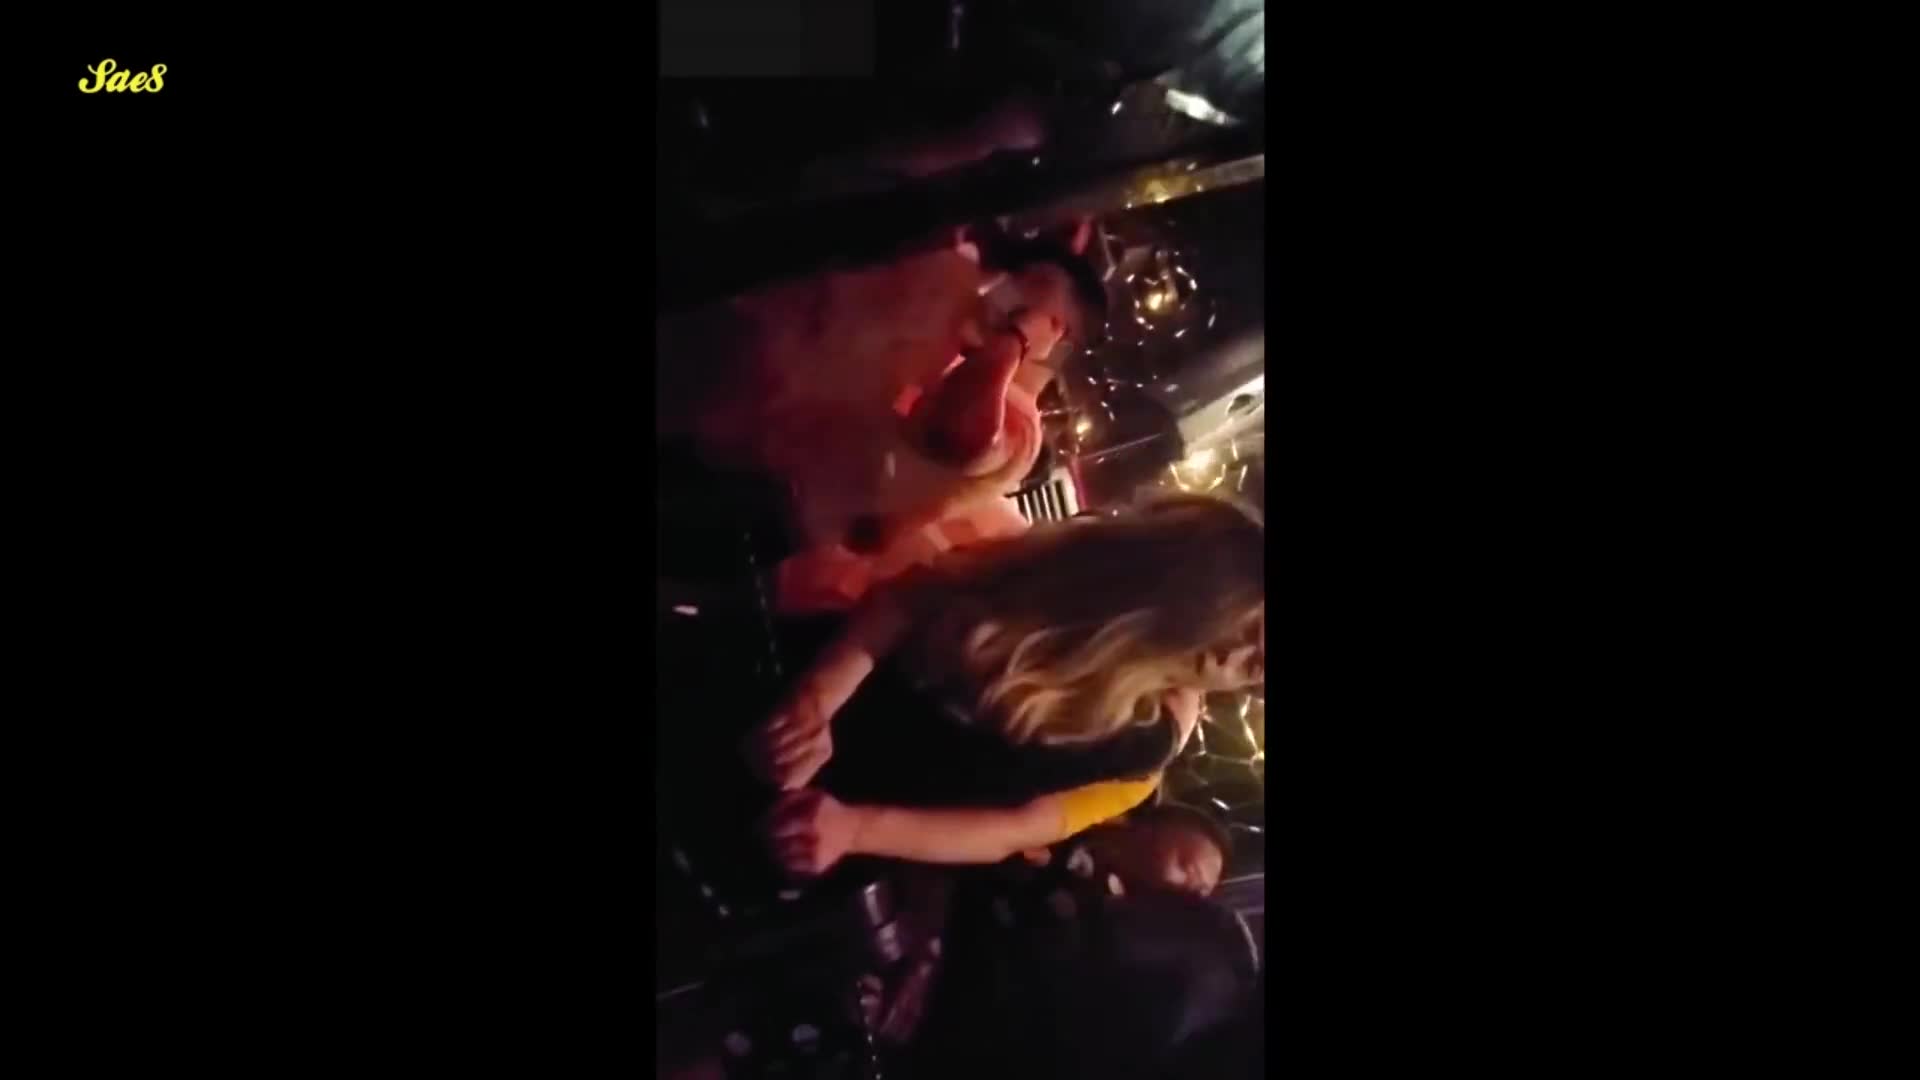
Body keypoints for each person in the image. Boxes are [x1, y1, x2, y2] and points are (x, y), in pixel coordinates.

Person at [746, 493, 1265, 877]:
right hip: (778, 680)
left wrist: (850, 829)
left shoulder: (1147, 746)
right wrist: (817, 701)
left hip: (828, 812)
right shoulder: (1077, 562)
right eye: (1251, 631)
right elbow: (915, 595)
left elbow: (1009, 829)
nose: (1235, 660)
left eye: (1256, 667)